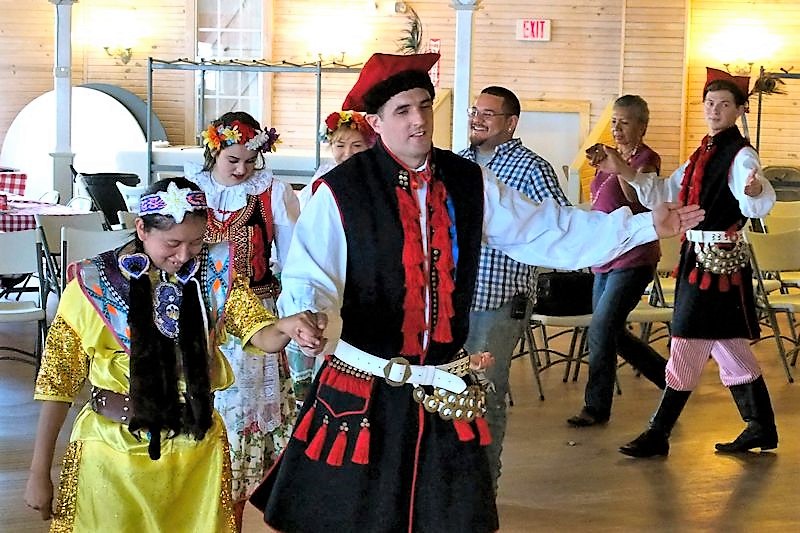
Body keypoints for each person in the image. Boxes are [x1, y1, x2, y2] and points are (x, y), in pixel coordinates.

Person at [248, 52, 704, 532]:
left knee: (450, 519)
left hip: (446, 389)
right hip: (366, 391)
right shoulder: (340, 189)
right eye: (402, 110)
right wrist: (308, 314)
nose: (419, 120)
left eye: (424, 106)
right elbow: (311, 273)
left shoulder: (467, 180)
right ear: (377, 123)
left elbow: (543, 229)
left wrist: (640, 227)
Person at [23, 177, 326, 532]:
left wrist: (289, 326)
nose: (184, 256)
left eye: (196, 242)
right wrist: (39, 472)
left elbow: (261, 333)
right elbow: (58, 383)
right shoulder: (92, 285)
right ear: (141, 228)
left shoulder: (214, 273)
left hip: (196, 456)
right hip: (113, 455)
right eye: (172, 243)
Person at [593, 74, 778, 458]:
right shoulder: (701, 153)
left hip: (718, 264)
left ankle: (658, 431)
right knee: (727, 345)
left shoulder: (741, 154)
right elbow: (666, 192)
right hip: (698, 258)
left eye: (724, 105)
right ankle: (760, 425)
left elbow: (753, 197)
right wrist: (623, 169)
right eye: (710, 104)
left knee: (687, 339)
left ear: (739, 110)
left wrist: (755, 189)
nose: (714, 111)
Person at [185, 111, 304, 529]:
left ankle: (236, 506)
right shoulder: (192, 191)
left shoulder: (272, 193)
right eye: (232, 160)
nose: (241, 169)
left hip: (255, 312)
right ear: (213, 152)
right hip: (199, 313)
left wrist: (293, 312)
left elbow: (293, 259)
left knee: (244, 414)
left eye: (249, 161)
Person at [458, 85, 570, 488]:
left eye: (488, 114)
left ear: (511, 123)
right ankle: (453, 483)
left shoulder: (531, 168)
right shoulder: (458, 163)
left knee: (484, 392)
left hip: (499, 302)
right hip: (454, 301)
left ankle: (483, 486)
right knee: (449, 391)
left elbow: (558, 224)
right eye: (475, 111)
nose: (478, 119)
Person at [567, 95, 669, 428]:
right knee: (610, 331)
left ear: (642, 126)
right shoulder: (611, 156)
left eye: (625, 122)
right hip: (604, 254)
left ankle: (596, 407)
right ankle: (670, 379)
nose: (617, 128)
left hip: (635, 257)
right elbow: (599, 199)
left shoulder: (646, 159)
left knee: (601, 328)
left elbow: (635, 197)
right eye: (614, 121)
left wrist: (619, 168)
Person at [297, 110, 376, 209]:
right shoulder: (324, 175)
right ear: (331, 146)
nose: (347, 153)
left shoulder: (375, 177)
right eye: (340, 145)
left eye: (357, 145)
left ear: (369, 146)